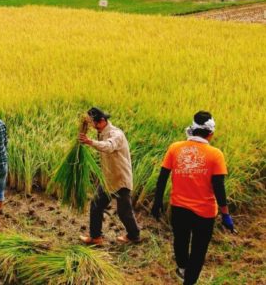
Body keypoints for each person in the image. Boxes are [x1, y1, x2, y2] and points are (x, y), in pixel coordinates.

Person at [151, 111, 235, 285]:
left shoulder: (175, 148)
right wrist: (226, 214)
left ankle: (182, 268)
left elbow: (162, 177)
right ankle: (189, 281)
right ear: (210, 133)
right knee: (199, 250)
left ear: (192, 129)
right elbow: (219, 187)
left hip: (179, 208)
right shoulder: (216, 154)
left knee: (180, 241)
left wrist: (157, 201)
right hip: (205, 213)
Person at [78, 107, 140, 245]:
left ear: (101, 121)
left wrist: (90, 142)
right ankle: (96, 237)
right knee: (96, 204)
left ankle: (134, 235)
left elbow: (109, 146)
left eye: (93, 123)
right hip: (108, 178)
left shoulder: (115, 134)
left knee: (124, 211)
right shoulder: (101, 132)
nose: (93, 127)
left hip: (120, 178)